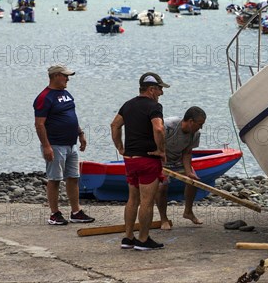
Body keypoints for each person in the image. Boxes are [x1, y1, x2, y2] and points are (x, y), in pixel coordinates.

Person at [110, 72, 170, 251]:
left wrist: (120, 148)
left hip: (130, 160)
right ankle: (143, 239)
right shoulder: (154, 106)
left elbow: (114, 125)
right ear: (151, 89)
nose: (161, 93)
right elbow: (158, 128)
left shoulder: (128, 105)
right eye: (159, 89)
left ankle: (128, 237)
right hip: (147, 160)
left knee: (132, 199)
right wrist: (161, 150)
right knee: (147, 201)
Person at [33, 64, 95, 226]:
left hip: (71, 143)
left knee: (73, 177)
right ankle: (54, 213)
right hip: (55, 144)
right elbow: (39, 124)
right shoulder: (44, 97)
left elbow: (71, 116)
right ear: (55, 76)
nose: (68, 79)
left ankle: (76, 212)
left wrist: (80, 134)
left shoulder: (66, 94)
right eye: (65, 76)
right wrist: (46, 146)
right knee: (54, 179)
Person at [153, 107, 207, 229]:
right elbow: (154, 144)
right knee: (162, 186)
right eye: (200, 124)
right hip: (160, 161)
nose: (201, 127)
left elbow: (187, 153)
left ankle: (188, 212)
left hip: (177, 162)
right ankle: (164, 219)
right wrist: (158, 163)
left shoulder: (195, 134)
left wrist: (188, 172)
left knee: (193, 181)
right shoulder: (168, 126)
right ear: (191, 122)